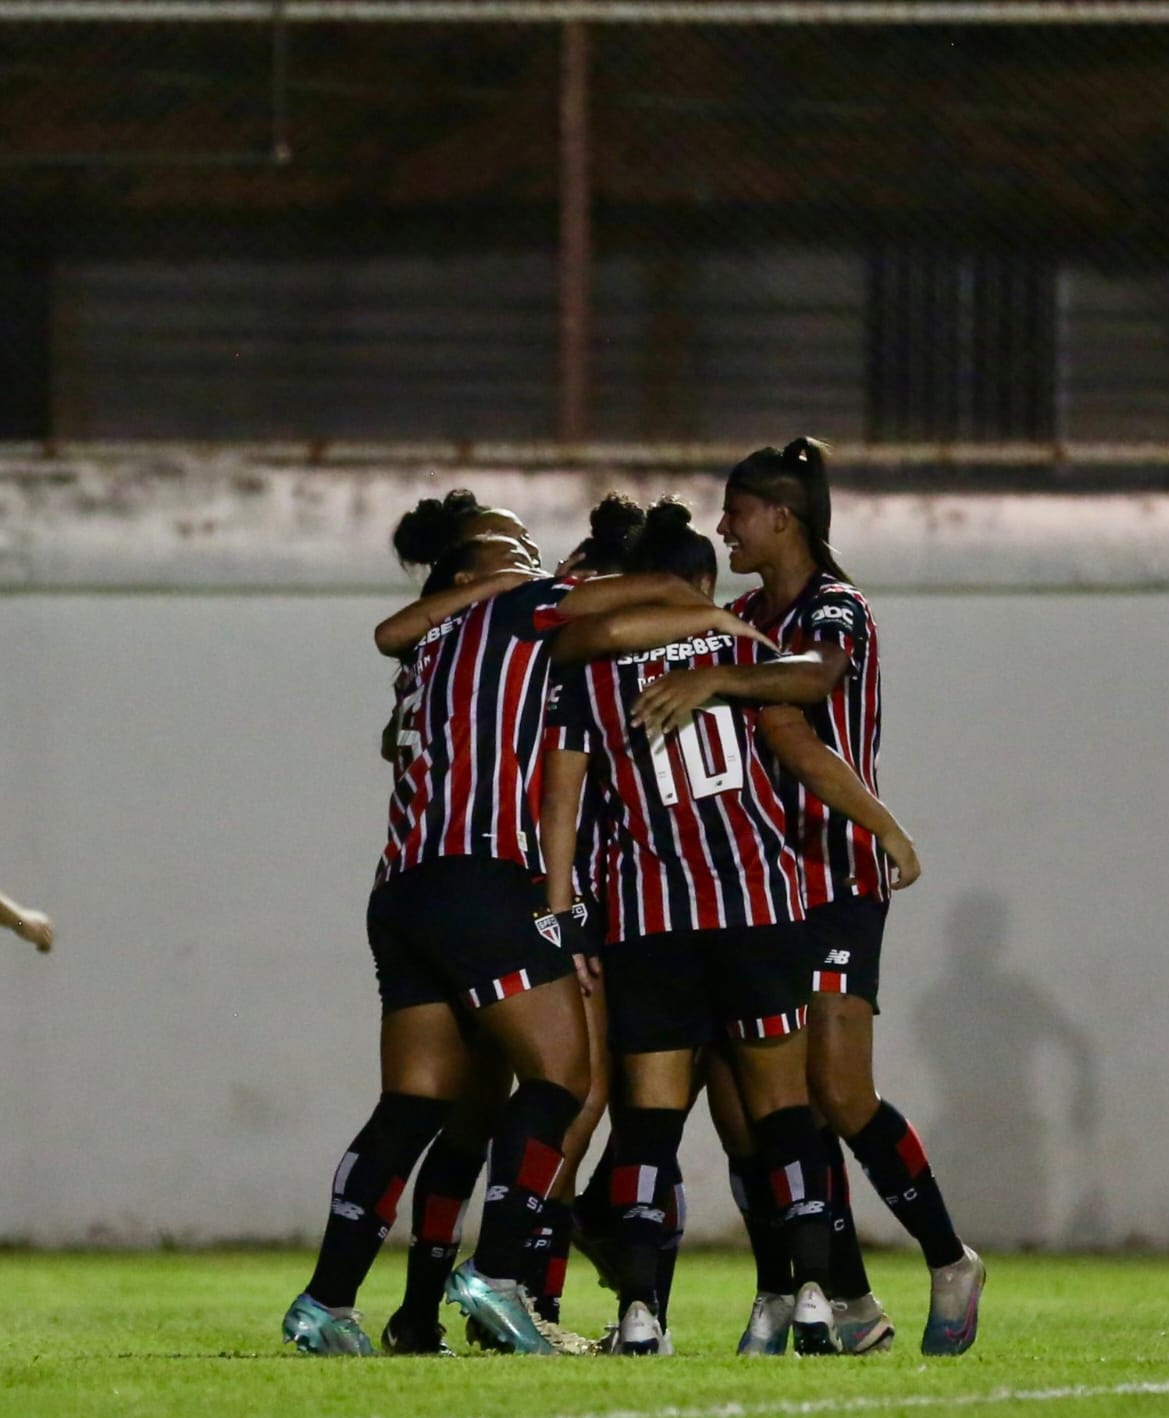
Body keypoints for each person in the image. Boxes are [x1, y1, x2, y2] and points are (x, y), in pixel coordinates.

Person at [281, 490, 730, 1357]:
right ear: (472, 570)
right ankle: (495, 1275)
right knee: (562, 1082)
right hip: (484, 880)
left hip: (403, 888)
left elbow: (396, 665)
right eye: (510, 543)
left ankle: (327, 1300)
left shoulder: (427, 650)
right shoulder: (519, 609)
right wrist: (719, 635)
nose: (529, 551)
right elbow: (670, 598)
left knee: (413, 1105)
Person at [631, 438, 984, 1357]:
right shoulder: (744, 611)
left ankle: (947, 1257)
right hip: (756, 887)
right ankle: (846, 1298)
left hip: (835, 877)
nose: (723, 528)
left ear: (780, 517)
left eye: (736, 512)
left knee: (833, 1087)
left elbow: (813, 680)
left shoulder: (837, 608)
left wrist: (712, 677)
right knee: (759, 1105)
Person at [544, 497, 903, 1356]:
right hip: (757, 906)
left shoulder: (588, 671)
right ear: (699, 583)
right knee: (784, 1115)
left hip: (649, 917)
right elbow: (800, 747)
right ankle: (814, 1298)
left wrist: (562, 914)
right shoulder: (742, 649)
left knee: (648, 1126)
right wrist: (883, 826)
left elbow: (562, 788)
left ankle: (638, 1316)